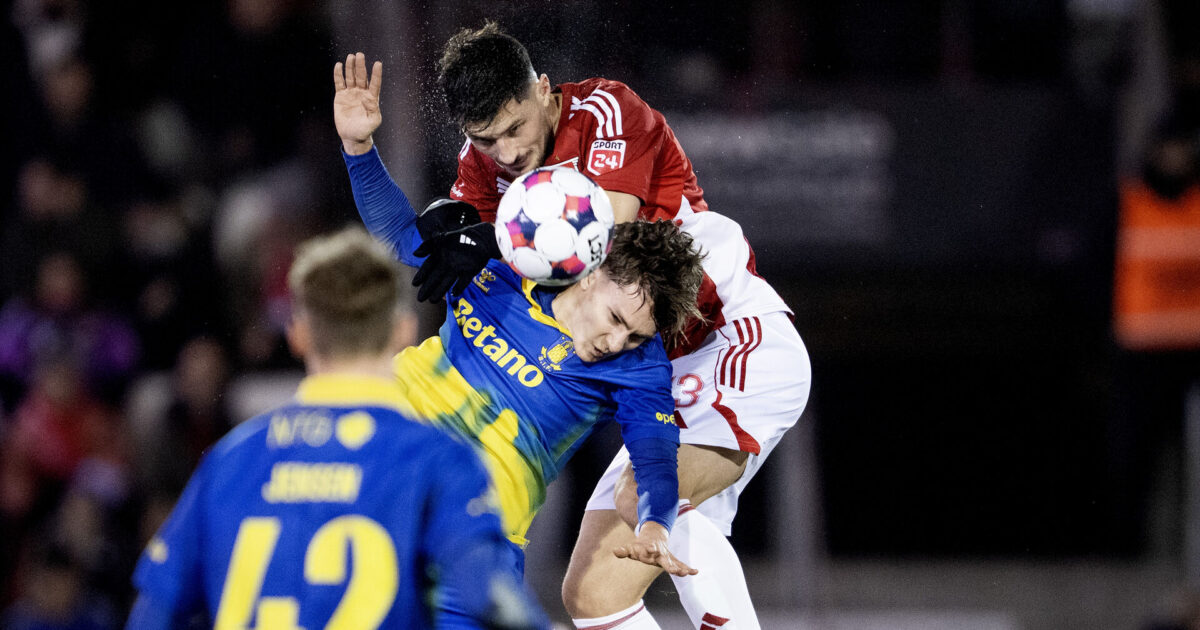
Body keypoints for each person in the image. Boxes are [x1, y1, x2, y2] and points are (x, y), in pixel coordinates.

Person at [334, 19, 812, 629]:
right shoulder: (488, 176)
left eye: (515, 128)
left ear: (541, 89)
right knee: (594, 592)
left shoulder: (607, 112)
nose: (508, 154)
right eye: (486, 140)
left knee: (647, 499)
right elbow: (426, 247)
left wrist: (484, 241)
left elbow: (602, 240)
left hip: (728, 338)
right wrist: (362, 153)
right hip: (656, 358)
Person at [125, 227, 548, 629]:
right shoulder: (439, 462)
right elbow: (491, 599)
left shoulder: (231, 460)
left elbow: (153, 614)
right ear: (402, 330)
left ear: (298, 335)